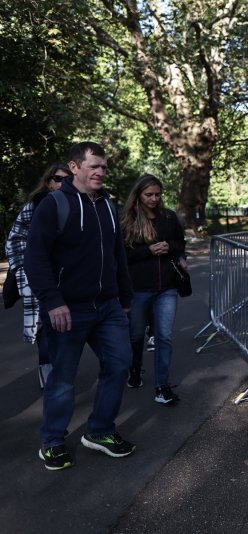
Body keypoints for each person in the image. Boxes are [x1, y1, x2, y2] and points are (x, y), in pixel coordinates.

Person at [25, 142, 135, 470]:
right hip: (67, 310)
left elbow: (118, 256)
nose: (101, 172)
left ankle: (99, 430)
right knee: (62, 378)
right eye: (94, 166)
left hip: (108, 307)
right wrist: (53, 301)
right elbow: (36, 257)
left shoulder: (107, 206)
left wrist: (125, 298)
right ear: (75, 168)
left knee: (119, 365)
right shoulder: (54, 205)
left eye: (104, 167)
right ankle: (53, 441)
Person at [121, 174, 186, 404]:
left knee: (164, 337)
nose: (154, 199)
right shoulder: (127, 219)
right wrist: (148, 251)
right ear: (138, 194)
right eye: (149, 195)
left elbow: (181, 243)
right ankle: (135, 369)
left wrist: (172, 247)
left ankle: (162, 386)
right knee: (136, 336)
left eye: (158, 194)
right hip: (138, 289)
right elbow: (122, 254)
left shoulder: (168, 217)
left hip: (167, 288)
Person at [5, 163, 71, 389]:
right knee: (44, 329)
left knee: (63, 327)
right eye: (58, 178)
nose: (62, 182)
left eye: (67, 178)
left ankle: (59, 373)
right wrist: (23, 268)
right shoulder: (36, 204)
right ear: (49, 181)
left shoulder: (75, 204)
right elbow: (14, 238)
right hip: (38, 277)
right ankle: (48, 376)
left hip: (66, 277)